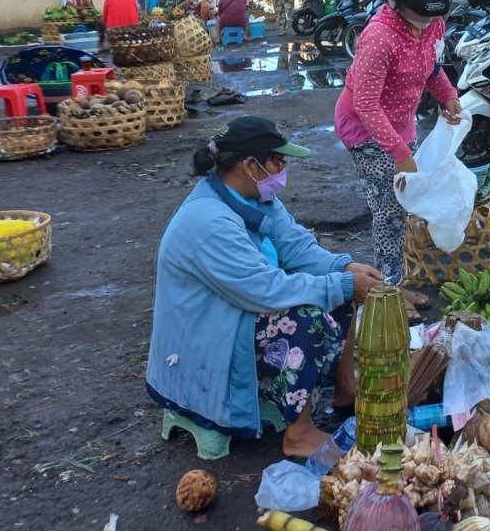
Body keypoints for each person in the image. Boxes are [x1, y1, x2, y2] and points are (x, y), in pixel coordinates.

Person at [146, 117, 384, 457]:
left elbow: (296, 247)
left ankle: (346, 391)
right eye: (278, 162)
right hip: (210, 337)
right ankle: (299, 434)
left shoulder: (256, 198)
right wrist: (343, 284)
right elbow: (264, 290)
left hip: (237, 312)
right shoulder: (208, 221)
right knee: (307, 320)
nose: (283, 170)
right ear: (249, 165)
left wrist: (342, 268)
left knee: (339, 295)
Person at [334, 0, 463, 317]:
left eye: (431, 18)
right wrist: (399, 152)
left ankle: (399, 276)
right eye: (417, 17)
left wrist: (448, 95)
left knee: (407, 201)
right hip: (364, 127)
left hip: (401, 123)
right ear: (397, 2)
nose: (426, 25)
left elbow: (431, 67)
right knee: (390, 209)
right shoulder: (379, 38)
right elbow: (365, 103)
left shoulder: (432, 23)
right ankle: (387, 291)